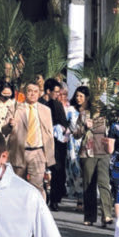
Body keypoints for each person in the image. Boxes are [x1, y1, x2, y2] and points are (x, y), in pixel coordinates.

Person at [7, 81, 55, 198]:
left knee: (37, 185)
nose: (32, 94)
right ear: (25, 93)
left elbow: (49, 133)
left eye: (35, 91)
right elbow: (4, 130)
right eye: (29, 91)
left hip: (38, 152)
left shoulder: (45, 110)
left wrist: (48, 154)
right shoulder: (16, 108)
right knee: (18, 185)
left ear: (39, 93)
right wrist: (9, 125)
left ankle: (40, 212)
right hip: (20, 151)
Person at [75, 97, 114, 228]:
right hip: (88, 153)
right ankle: (89, 216)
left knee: (104, 183)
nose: (98, 103)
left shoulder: (107, 116)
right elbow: (76, 134)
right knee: (89, 184)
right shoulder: (84, 114)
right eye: (95, 100)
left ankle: (106, 214)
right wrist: (85, 127)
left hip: (104, 153)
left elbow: (112, 132)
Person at [42, 78, 68, 211]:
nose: (58, 94)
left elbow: (64, 123)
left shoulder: (57, 105)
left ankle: (54, 199)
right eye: (56, 92)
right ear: (48, 91)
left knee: (57, 171)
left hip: (57, 144)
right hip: (43, 142)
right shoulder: (41, 104)